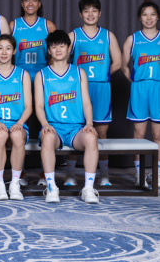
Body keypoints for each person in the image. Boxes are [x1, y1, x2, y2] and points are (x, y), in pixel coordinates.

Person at [35, 30, 100, 204]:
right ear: (49, 50)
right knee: (47, 137)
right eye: (53, 46)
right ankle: (51, 187)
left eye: (61, 46)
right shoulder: (42, 75)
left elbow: (86, 102)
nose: (58, 50)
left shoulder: (79, 73)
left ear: (69, 48)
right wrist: (44, 124)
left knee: (91, 137)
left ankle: (88, 188)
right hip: (54, 127)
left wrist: (89, 123)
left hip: (75, 128)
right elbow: (39, 106)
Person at [121, 0, 160, 188]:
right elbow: (123, 65)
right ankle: (139, 174)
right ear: (140, 17)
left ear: (158, 17)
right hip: (139, 89)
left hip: (159, 89)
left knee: (158, 134)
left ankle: (157, 174)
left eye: (152, 14)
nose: (149, 18)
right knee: (139, 133)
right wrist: (135, 82)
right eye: (145, 14)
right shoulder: (132, 39)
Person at [65, 0, 121, 186]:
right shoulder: (74, 35)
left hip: (101, 87)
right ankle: (70, 174)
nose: (90, 14)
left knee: (102, 133)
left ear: (100, 13)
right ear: (80, 14)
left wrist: (102, 75)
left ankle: (104, 174)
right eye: (86, 11)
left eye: (94, 10)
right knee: (76, 130)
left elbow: (118, 62)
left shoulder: (108, 35)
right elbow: (60, 60)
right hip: (79, 89)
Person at [9, 0, 56, 186]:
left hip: (42, 80)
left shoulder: (48, 25)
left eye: (34, 0)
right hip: (19, 81)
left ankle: (46, 173)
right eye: (26, 0)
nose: (30, 3)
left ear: (39, 4)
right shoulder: (13, 26)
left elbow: (56, 52)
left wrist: (48, 75)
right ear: (22, 3)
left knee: (45, 122)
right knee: (19, 123)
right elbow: (6, 52)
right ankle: (19, 173)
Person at [0, 35, 32, 201]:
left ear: (14, 51)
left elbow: (28, 107)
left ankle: (15, 183)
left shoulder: (23, 75)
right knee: (1, 134)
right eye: (0, 48)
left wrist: (20, 123)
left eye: (8, 48)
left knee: (17, 136)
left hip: (16, 123)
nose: (4, 52)